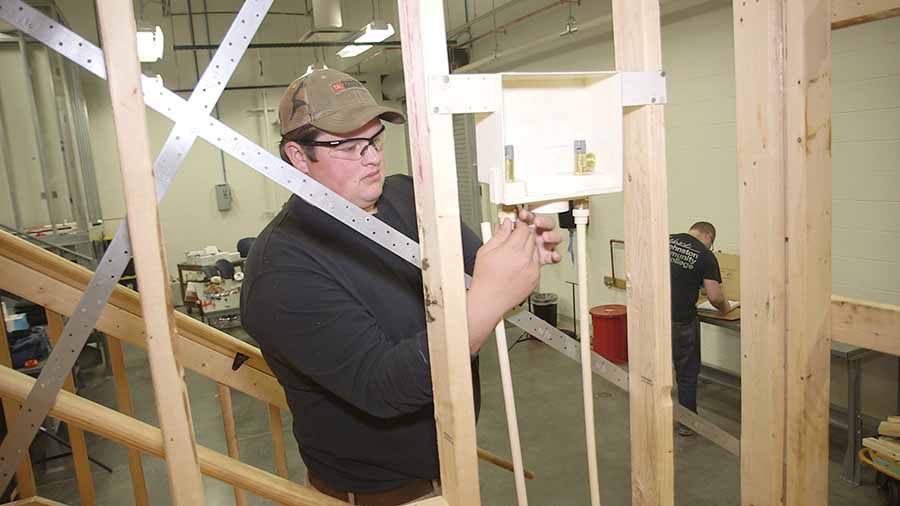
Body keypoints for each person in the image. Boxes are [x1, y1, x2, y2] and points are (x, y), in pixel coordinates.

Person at [240, 69, 561, 505]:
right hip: (380, 495)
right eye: (348, 146)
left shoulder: (406, 197)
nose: (370, 157)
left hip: (451, 465)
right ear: (298, 156)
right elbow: (383, 386)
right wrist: (487, 298)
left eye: (374, 140)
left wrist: (520, 255)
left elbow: (478, 274)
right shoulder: (282, 269)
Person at [669, 221, 730, 436]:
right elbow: (714, 296)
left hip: (654, 316)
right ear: (709, 237)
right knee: (686, 373)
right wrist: (725, 308)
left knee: (654, 367)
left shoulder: (667, 240)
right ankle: (686, 423)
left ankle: (651, 413)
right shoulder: (705, 255)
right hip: (681, 322)